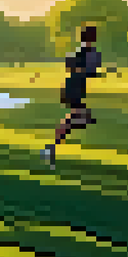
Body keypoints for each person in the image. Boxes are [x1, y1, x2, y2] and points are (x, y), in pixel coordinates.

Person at [43, 25, 102, 169]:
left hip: (74, 88)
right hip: (73, 89)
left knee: (82, 118)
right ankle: (51, 148)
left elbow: (76, 67)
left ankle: (52, 146)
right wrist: (91, 72)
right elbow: (78, 68)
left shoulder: (84, 51)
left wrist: (90, 72)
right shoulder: (86, 52)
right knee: (81, 117)